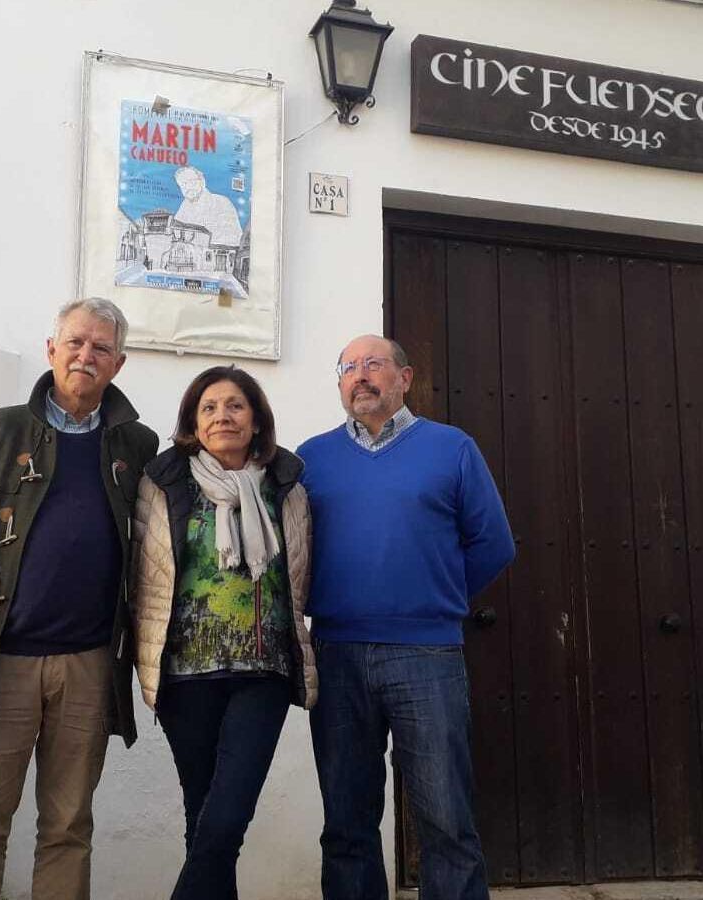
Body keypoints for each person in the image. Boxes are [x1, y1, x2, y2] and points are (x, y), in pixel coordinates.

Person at [0, 297, 158, 900]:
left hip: (89, 662)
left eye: (101, 348)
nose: (86, 355)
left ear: (119, 364)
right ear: (51, 350)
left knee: (69, 828)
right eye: (75, 342)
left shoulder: (137, 445)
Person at [297, 334, 516, 900]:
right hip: (337, 655)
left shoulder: (452, 448)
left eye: (374, 364)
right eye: (348, 367)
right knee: (346, 821)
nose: (360, 375)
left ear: (405, 377)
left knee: (445, 819)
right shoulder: (310, 458)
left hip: (428, 656)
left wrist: (432, 599)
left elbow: (493, 543)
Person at [130, 365, 316, 900]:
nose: (222, 416)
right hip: (184, 675)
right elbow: (141, 574)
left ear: (256, 420)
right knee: (203, 816)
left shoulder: (288, 487)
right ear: (193, 421)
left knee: (226, 817)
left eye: (235, 405)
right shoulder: (162, 484)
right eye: (208, 407)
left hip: (265, 672)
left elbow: (306, 569)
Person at [173, 166, 243, 246]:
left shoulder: (221, 202)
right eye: (183, 184)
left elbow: (233, 236)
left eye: (192, 182)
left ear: (202, 182)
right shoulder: (184, 206)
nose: (188, 187)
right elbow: (176, 232)